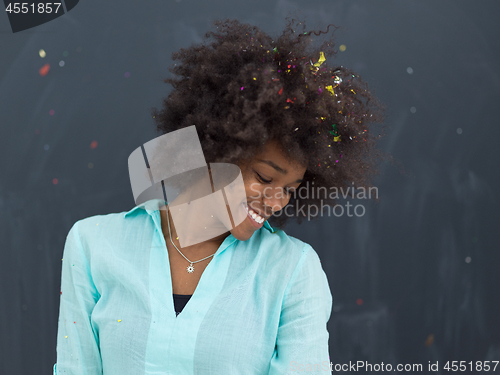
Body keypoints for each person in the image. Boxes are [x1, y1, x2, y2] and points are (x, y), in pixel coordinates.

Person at [53, 17, 383, 374]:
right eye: (264, 177)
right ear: (216, 150)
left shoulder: (291, 272)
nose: (276, 202)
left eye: (289, 190)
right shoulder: (93, 246)